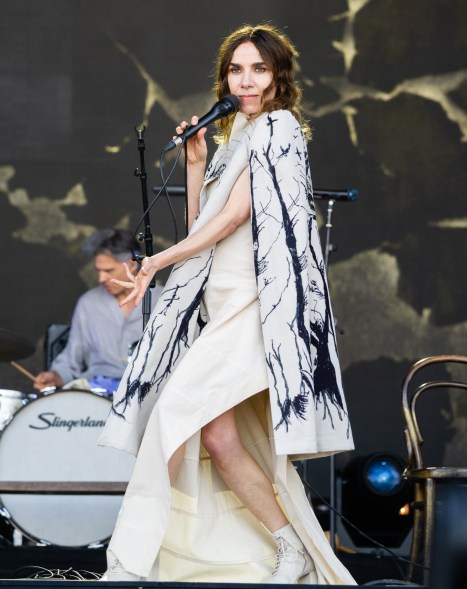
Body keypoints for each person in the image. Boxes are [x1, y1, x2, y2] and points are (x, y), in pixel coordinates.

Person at [99, 25, 356, 585]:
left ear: (278, 77)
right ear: (224, 76)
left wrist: (154, 262)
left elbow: (234, 221)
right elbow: (203, 227)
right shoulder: (237, 134)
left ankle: (127, 559)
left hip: (254, 313)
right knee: (216, 436)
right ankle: (292, 549)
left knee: (170, 416)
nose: (246, 80)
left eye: (259, 70)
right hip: (221, 310)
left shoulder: (278, 129)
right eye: (237, 69)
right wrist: (195, 163)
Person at [34, 228, 163, 395]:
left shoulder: (164, 299)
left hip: (152, 392)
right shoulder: (88, 303)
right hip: (98, 394)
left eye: (108, 271)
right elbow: (71, 359)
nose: (101, 279)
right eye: (98, 270)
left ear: (133, 264)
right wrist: (54, 376)